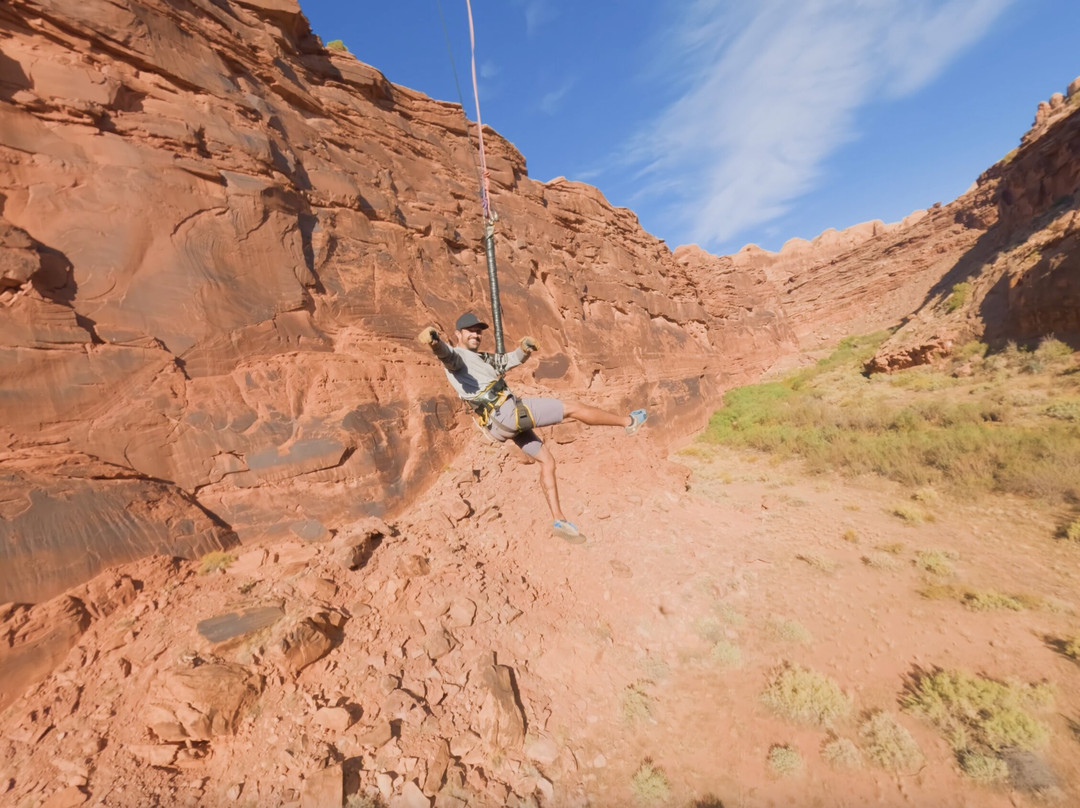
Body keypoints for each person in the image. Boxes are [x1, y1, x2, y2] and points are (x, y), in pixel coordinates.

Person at [418, 311, 647, 543]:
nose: (476, 334)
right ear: (458, 334)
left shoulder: (481, 359)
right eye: (470, 330)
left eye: (479, 330)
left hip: (499, 425)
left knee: (547, 461)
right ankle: (629, 422)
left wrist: (524, 350)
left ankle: (559, 520)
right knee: (573, 408)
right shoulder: (457, 357)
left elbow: (507, 360)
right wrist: (436, 342)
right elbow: (446, 356)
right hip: (507, 413)